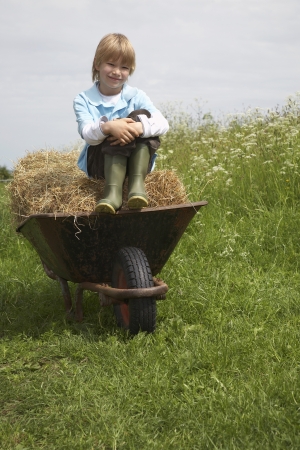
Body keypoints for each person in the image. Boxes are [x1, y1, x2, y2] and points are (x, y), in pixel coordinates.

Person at [73, 33, 169, 214]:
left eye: (124, 67)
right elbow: (86, 133)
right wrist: (108, 127)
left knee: (142, 116)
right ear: (97, 64)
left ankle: (136, 186)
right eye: (111, 64)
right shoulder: (83, 99)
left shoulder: (137, 96)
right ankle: (112, 193)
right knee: (113, 125)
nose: (117, 72)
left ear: (131, 70)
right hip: (100, 165)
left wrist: (139, 127)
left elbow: (163, 123)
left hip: (135, 164)